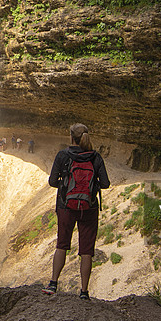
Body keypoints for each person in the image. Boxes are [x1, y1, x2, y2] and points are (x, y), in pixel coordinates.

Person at [42, 123, 110, 300]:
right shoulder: (95, 157)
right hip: (89, 207)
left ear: (71, 137)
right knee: (86, 250)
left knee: (62, 244)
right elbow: (106, 183)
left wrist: (66, 184)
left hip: (66, 205)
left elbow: (52, 181)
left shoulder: (63, 155)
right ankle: (84, 291)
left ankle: (53, 283)